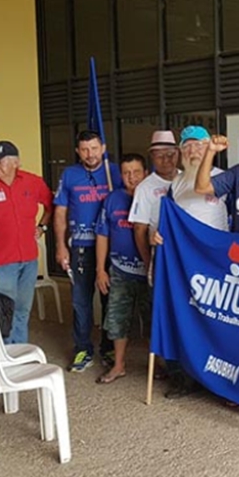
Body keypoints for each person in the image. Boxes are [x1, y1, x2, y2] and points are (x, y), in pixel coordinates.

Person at [149, 125, 229, 399]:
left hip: (215, 266)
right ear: (181, 152)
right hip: (183, 267)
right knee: (182, 319)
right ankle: (184, 378)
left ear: (210, 148)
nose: (193, 151)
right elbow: (167, 222)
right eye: (188, 146)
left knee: (215, 322)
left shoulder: (223, 179)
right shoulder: (176, 184)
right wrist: (157, 235)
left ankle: (217, 382)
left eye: (199, 145)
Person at [0, 141, 53, 344]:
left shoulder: (33, 182)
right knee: (2, 315)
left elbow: (52, 205)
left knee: (22, 311)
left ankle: (19, 354)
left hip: (29, 260)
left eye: (0, 162)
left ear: (16, 162)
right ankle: (3, 361)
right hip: (0, 263)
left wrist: (42, 227)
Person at [53, 130, 122, 372]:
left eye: (94, 148)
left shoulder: (115, 172)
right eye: (84, 149)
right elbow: (60, 212)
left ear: (102, 148)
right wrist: (61, 246)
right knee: (80, 301)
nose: (90, 154)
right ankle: (83, 347)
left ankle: (108, 347)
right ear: (77, 151)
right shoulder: (70, 174)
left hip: (111, 246)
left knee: (109, 300)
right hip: (81, 247)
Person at [94, 154, 149, 385]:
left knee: (154, 320)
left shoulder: (155, 196)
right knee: (117, 319)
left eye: (136, 172)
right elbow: (102, 235)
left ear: (145, 173)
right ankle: (118, 365)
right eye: (126, 173)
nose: (131, 177)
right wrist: (100, 269)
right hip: (119, 271)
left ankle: (160, 365)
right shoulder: (112, 199)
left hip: (149, 272)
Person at [129, 130, 181, 275]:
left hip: (185, 251)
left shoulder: (187, 180)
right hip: (161, 252)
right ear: (152, 157)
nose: (166, 160)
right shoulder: (145, 188)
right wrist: (148, 262)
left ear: (177, 153)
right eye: (159, 156)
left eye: (170, 155)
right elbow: (139, 230)